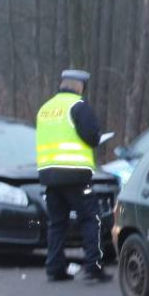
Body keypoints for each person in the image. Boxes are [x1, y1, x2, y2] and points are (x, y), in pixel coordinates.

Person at [35, 69, 111, 284]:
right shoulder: (78, 107)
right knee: (91, 218)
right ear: (79, 86)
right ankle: (93, 266)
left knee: (57, 223)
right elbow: (92, 137)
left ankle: (54, 267)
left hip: (49, 175)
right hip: (75, 175)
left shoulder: (45, 109)